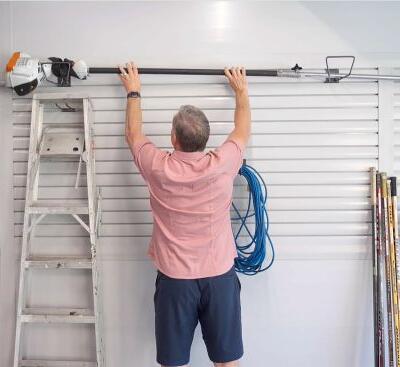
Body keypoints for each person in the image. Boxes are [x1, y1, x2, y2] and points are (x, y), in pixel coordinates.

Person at [119, 61, 251, 367]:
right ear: (205, 140)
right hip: (219, 277)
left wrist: (134, 92)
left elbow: (133, 134)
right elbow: (242, 129)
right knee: (228, 362)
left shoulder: (157, 166)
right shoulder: (223, 163)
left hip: (176, 282)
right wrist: (241, 92)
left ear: (174, 139)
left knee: (173, 363)